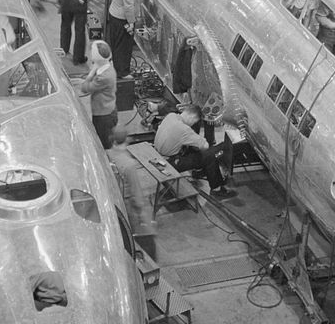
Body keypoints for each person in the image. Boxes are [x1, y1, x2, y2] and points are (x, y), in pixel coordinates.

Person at [153, 104, 234, 198]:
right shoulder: (184, 129)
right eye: (194, 122)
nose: (192, 124)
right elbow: (205, 146)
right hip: (169, 163)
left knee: (192, 146)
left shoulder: (171, 116)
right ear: (192, 117)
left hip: (157, 155)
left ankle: (198, 170)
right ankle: (217, 189)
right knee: (209, 156)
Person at [109, 127, 157, 259]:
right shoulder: (129, 164)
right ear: (127, 140)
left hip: (115, 200)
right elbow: (136, 191)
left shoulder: (109, 154)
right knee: (146, 238)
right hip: (129, 206)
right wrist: (143, 213)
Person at [77, 40, 117, 149]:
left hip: (104, 116)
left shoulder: (104, 77)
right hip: (107, 110)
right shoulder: (107, 66)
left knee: (103, 145)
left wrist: (90, 74)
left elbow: (85, 88)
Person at [107, 0, 139, 78]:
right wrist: (131, 22)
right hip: (122, 18)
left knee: (116, 42)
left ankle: (116, 66)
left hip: (114, 14)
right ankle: (122, 72)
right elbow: (128, 6)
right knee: (124, 46)